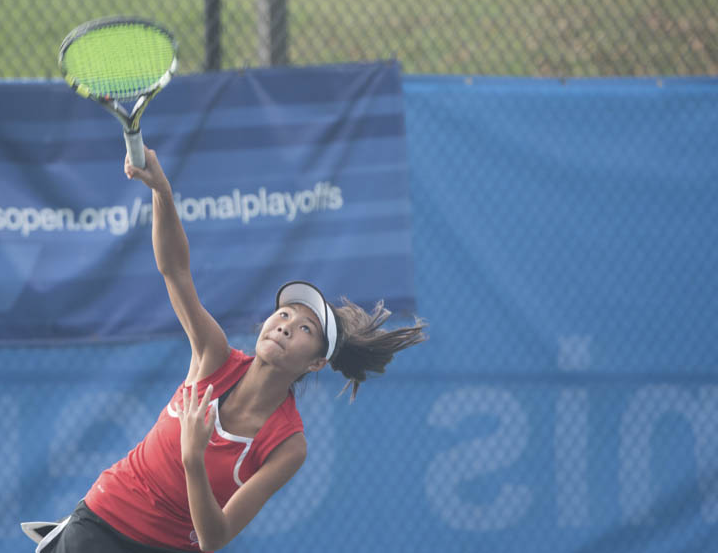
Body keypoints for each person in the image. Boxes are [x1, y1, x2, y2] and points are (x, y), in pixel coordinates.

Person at [30, 149, 426, 552]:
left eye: (305, 327)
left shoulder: (288, 445)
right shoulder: (213, 357)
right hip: (100, 525)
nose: (286, 325)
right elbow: (175, 271)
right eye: (285, 313)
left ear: (317, 361)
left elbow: (215, 538)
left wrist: (194, 458)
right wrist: (163, 192)